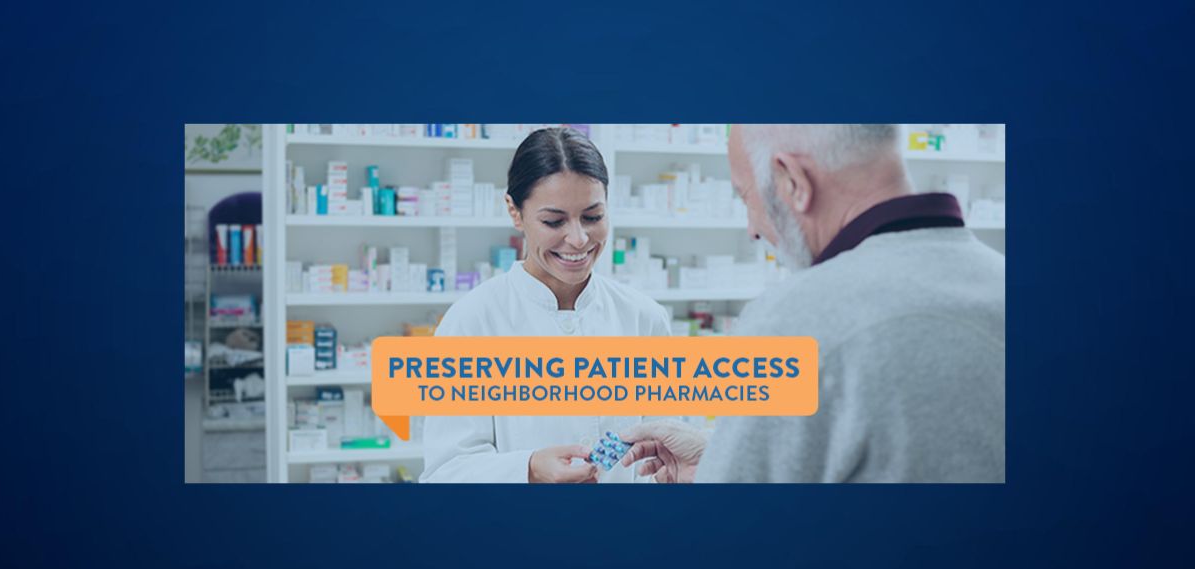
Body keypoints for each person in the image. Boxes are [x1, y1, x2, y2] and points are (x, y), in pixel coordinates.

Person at [620, 124, 1005, 483]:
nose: (753, 229)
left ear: (793, 182)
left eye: (746, 196)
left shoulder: (793, 319)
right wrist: (719, 456)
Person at [420, 127, 672, 483]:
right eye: (554, 221)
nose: (578, 239)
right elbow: (444, 473)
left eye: (593, 217)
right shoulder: (471, 323)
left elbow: (666, 455)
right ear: (515, 212)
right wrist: (529, 468)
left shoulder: (644, 318)